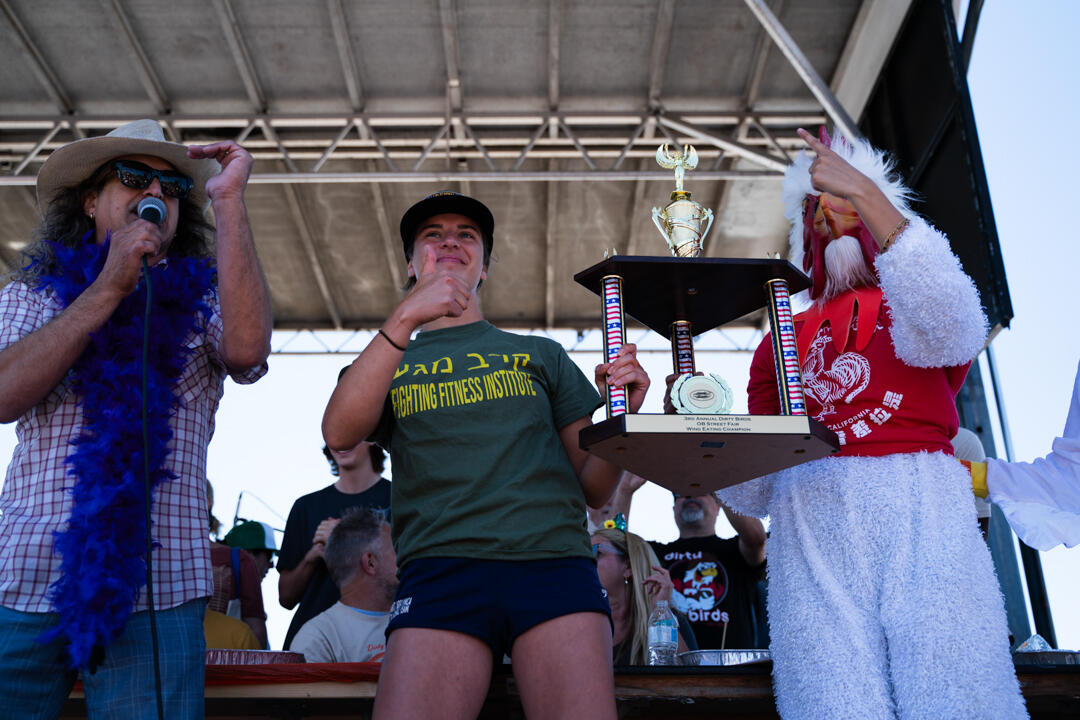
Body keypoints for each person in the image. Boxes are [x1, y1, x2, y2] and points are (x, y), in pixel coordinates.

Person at [720, 128, 1026, 718]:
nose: (830, 214)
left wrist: (862, 187)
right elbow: (755, 484)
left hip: (922, 504)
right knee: (830, 701)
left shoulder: (909, 295)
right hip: (810, 518)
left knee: (959, 691)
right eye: (816, 206)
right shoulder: (776, 342)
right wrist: (696, 427)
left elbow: (956, 323)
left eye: (845, 201)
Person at [322, 190, 650, 719]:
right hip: (440, 570)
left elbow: (595, 487)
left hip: (553, 565)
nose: (450, 239)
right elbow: (339, 432)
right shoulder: (388, 355)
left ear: (485, 267)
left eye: (466, 235)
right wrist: (407, 315)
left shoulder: (539, 353)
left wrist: (623, 418)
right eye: (433, 234)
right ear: (410, 263)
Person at [0, 119, 271, 718]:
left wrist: (226, 199)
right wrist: (107, 289)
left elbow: (250, 353)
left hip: (160, 584)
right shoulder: (33, 295)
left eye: (173, 186)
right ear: (92, 200)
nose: (157, 192)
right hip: (23, 577)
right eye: (133, 177)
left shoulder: (203, 304)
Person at [278, 428, 391, 650]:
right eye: (334, 437)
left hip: (383, 640)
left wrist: (343, 539)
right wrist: (314, 555)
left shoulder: (398, 497)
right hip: (314, 646)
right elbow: (286, 598)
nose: (341, 443)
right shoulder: (305, 507)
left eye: (350, 432)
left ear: (371, 438)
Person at [649, 488, 766, 650]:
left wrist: (720, 484)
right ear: (674, 509)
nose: (690, 495)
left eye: (703, 491)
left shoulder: (735, 550)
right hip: (674, 667)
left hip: (731, 669)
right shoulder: (654, 554)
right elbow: (614, 545)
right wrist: (625, 490)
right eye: (681, 494)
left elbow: (757, 538)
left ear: (719, 506)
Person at [291, 507, 398, 663]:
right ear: (370, 563)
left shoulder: (417, 617)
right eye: (396, 548)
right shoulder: (318, 638)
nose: (405, 556)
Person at [590, 527, 691, 664]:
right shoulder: (582, 620)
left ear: (628, 567)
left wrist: (660, 614)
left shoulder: (670, 621)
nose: (587, 560)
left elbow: (688, 678)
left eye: (596, 551)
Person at [207, 481, 268, 648]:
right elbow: (258, 633)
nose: (271, 565)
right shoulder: (239, 560)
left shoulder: (150, 556)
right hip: (227, 669)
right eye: (266, 555)